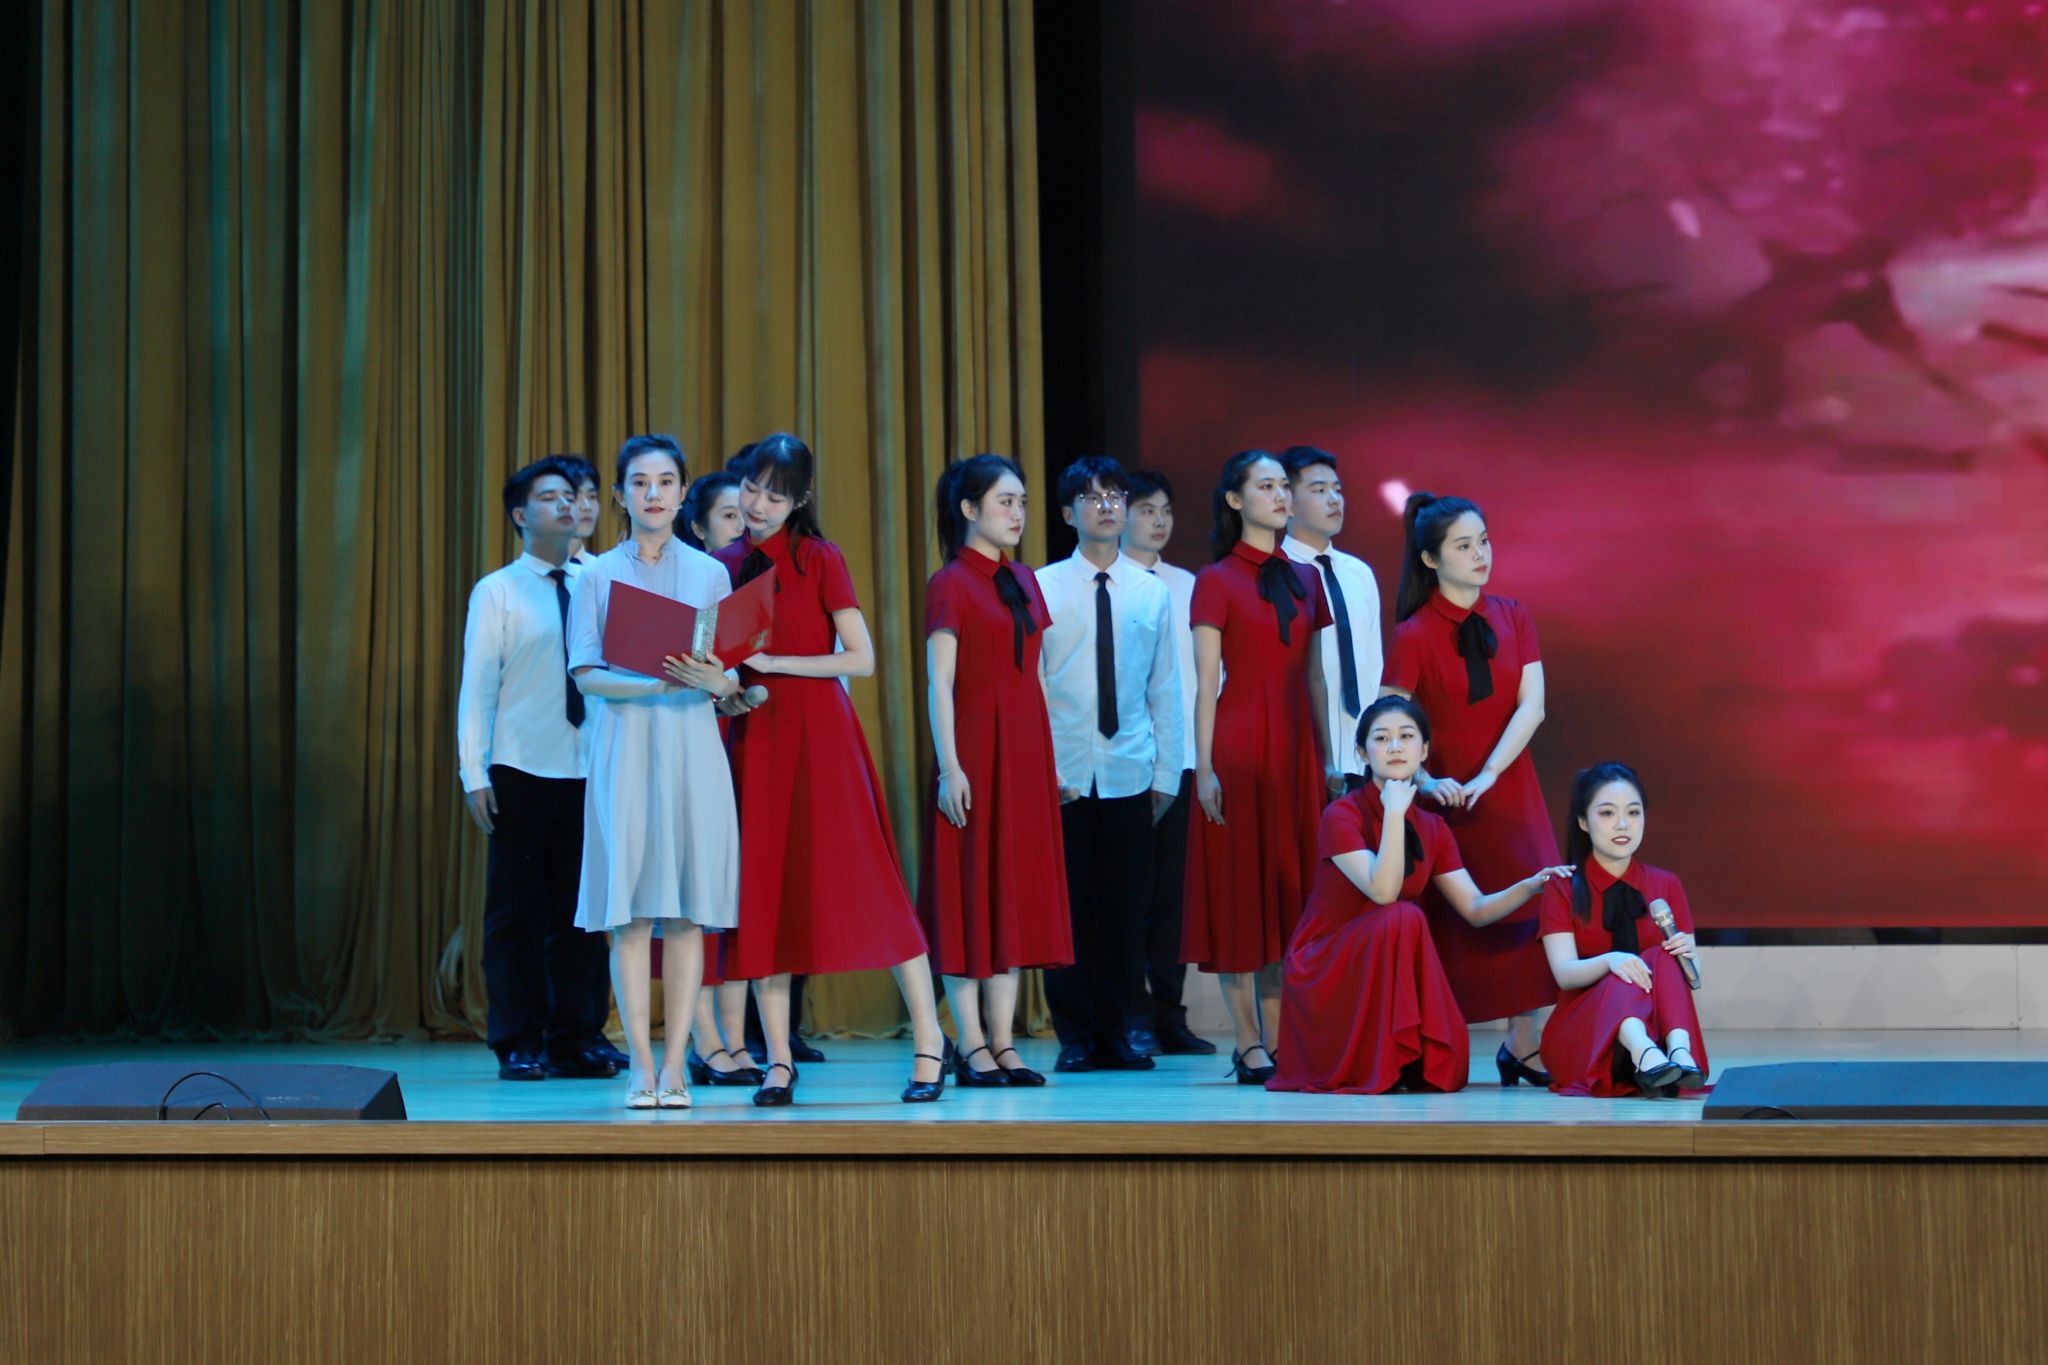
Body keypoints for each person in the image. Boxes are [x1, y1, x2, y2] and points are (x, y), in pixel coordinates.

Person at [714, 433, 948, 1104]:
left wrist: (776, 663)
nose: (758, 504)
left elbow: (861, 657)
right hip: (753, 738)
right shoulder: (722, 563)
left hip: (820, 735)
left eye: (775, 495)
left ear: (800, 500)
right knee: (765, 894)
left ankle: (929, 1040)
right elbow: (720, 660)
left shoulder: (820, 557)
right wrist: (728, 688)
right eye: (751, 489)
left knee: (873, 885)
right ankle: (779, 1059)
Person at [1269, 697, 1571, 1094]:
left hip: (1380, 958)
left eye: (1406, 737)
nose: (1395, 747)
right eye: (1382, 738)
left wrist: (1530, 886)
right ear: (1363, 753)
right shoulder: (1342, 815)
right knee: (1402, 915)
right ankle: (1379, 1061)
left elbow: (1475, 908)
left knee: (1449, 1066)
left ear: (1424, 750)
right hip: (1326, 964)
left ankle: (1398, 1058)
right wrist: (1394, 814)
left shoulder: (1432, 827)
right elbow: (1383, 891)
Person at [568, 434, 744, 1109]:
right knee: (633, 915)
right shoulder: (595, 575)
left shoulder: (709, 573)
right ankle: (640, 1063)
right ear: (620, 494)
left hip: (693, 749)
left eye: (666, 481)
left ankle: (677, 1065)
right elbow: (585, 672)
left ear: (682, 493)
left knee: (689, 914)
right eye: (640, 482)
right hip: (627, 745)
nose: (653, 494)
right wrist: (656, 683)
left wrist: (718, 679)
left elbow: (726, 672)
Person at [1381, 492, 1560, 1087]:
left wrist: (1490, 774)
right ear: (1431, 559)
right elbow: (1392, 726)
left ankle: (1524, 1043)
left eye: (1483, 541)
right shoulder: (1414, 634)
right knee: (1452, 927)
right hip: (1446, 803)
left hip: (1510, 790)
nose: (1480, 554)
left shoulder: (1514, 615)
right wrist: (1428, 780)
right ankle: (1437, 1045)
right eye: (1464, 545)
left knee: (1531, 908)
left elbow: (1532, 706)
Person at [457, 456, 616, 1082]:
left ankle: (577, 1037)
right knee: (516, 915)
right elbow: (479, 686)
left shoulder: (600, 580)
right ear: (521, 515)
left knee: (583, 916)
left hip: (592, 767)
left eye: (574, 495)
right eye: (551, 497)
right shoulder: (498, 590)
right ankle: (518, 1040)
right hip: (520, 769)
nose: (568, 505)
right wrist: (474, 772)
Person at [918, 454, 1074, 1087]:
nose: (1017, 513)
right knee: (969, 892)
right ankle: (971, 1043)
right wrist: (950, 767)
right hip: (975, 749)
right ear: (969, 509)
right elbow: (940, 682)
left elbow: (1036, 674)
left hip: (1025, 751)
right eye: (1005, 501)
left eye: (1022, 502)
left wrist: (1049, 762)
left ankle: (1005, 1043)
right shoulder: (950, 582)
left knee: (1009, 893)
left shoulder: (1024, 579)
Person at [1183, 450, 1334, 1083]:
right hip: (1241, 745)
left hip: (1297, 749)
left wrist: (1330, 758)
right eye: (1265, 486)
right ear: (1235, 499)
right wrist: (1205, 767)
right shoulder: (1216, 579)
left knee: (1288, 891)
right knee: (1241, 894)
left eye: (1282, 486)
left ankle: (1280, 1036)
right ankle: (1247, 1041)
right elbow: (1206, 682)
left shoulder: (1307, 578)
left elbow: (1316, 677)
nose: (1279, 495)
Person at [1037, 456, 1183, 1073]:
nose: (1107, 507)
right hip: (1064, 772)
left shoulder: (1151, 591)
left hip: (1130, 769)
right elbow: (1035, 686)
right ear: (1068, 513)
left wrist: (1167, 774)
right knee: (1070, 908)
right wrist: (1042, 769)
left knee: (1127, 910)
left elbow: (1165, 687)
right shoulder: (1042, 587)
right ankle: (1074, 1034)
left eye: (1116, 496)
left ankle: (1123, 1030)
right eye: (1092, 497)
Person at [1539, 763, 1709, 1097]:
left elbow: (1691, 975)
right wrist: (1610, 961)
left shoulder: (1666, 884)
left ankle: (1678, 1051)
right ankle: (1642, 1051)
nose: (1622, 825)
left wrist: (1689, 957)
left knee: (1662, 955)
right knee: (1623, 967)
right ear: (1583, 821)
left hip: (1661, 1030)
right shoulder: (1562, 887)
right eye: (1607, 813)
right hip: (1583, 1035)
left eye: (1633, 813)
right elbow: (1564, 974)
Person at [1119, 470, 1213, 1055]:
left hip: (1182, 760)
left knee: (1175, 898)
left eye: (1166, 510)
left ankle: (1169, 1014)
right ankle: (1130, 1014)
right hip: (1125, 761)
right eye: (1147, 510)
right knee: (1131, 894)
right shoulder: (1109, 583)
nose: (1159, 521)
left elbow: (1208, 677)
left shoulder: (1189, 585)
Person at [1278, 446, 1382, 797]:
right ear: (1287, 502)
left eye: (1337, 489)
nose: (1334, 499)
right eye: (1319, 490)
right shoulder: (1275, 572)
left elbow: (1373, 667)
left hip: (1364, 756)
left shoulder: (1359, 573)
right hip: (1302, 754)